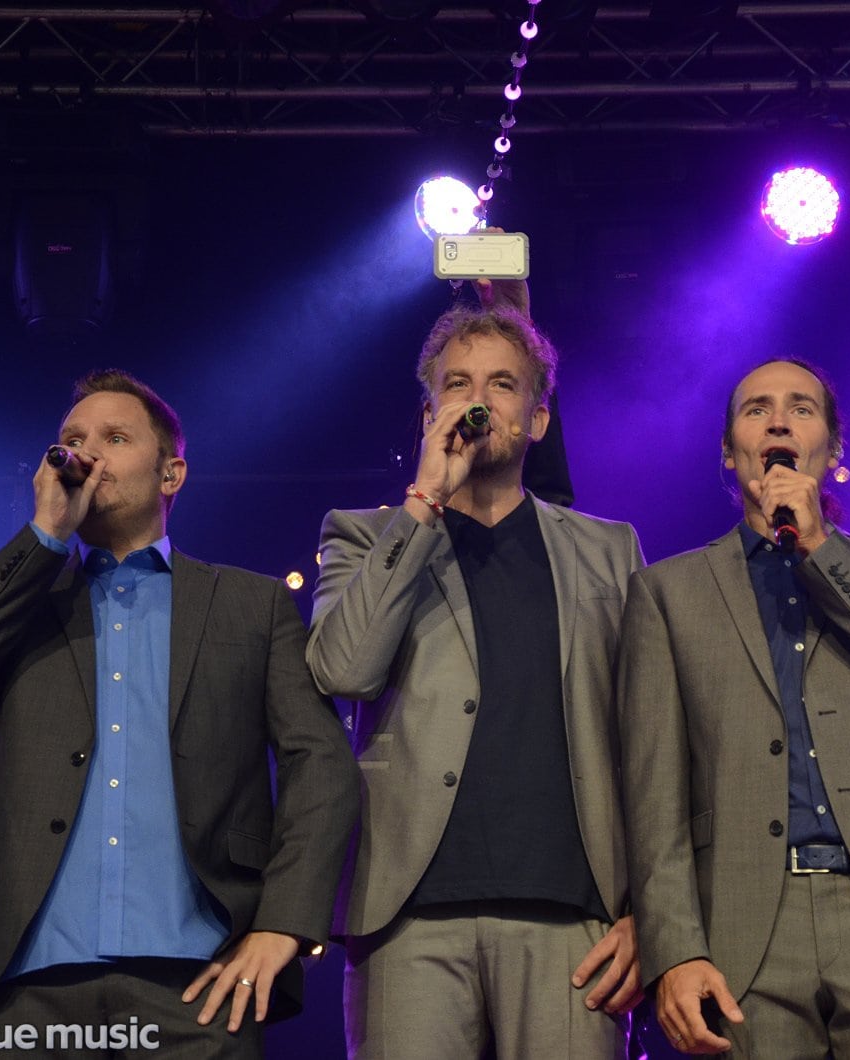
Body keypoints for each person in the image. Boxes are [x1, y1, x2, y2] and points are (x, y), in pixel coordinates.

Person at [0, 369, 360, 1057]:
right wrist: (46, 535)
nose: (87, 454)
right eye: (74, 439)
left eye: (115, 438)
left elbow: (320, 766)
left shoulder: (251, 606)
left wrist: (283, 924)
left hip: (198, 980)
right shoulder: (13, 595)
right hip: (22, 980)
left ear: (172, 473)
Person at [618, 358, 850, 1058]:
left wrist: (819, 544)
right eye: (757, 409)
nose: (779, 422)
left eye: (801, 408)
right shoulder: (668, 592)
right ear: (729, 451)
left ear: (833, 446)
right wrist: (676, 950)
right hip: (743, 924)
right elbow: (653, 792)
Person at [306, 301, 644, 1059]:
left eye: (502, 384)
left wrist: (648, 912)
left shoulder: (609, 550)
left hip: (573, 915)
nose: (477, 400)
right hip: (408, 915)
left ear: (538, 419)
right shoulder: (364, 535)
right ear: (430, 414)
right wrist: (423, 503)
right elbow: (343, 668)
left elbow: (650, 741)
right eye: (457, 384)